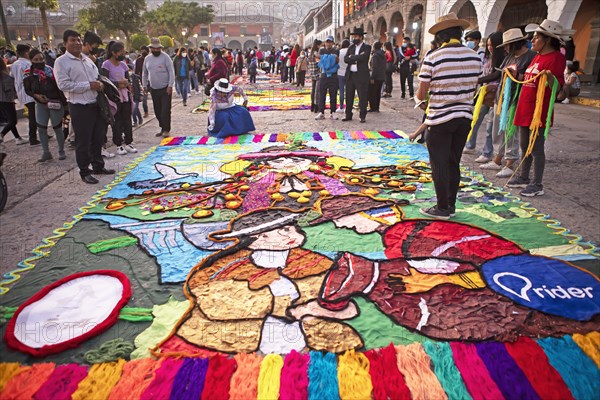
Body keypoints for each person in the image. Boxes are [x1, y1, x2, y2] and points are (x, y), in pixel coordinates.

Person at [415, 12, 482, 219]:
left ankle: (442, 207)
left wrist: (427, 99)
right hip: (464, 117)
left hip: (441, 117)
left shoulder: (433, 57)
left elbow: (421, 92)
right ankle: (451, 205)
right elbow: (475, 87)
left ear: (441, 36)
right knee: (454, 161)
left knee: (439, 163)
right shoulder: (474, 56)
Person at [507, 20, 567, 197]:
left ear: (547, 39)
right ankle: (524, 177)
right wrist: (514, 74)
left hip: (538, 110)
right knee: (525, 146)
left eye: (535, 37)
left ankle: (537, 183)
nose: (532, 41)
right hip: (525, 106)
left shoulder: (556, 58)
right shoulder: (537, 56)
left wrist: (549, 77)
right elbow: (529, 78)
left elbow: (556, 87)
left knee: (536, 147)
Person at [54, 29, 115, 184]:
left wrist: (100, 84)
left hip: (96, 104)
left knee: (98, 138)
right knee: (83, 141)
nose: (77, 43)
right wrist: (88, 85)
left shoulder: (87, 59)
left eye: (78, 40)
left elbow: (96, 78)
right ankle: (84, 171)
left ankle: (98, 166)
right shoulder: (61, 62)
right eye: (72, 40)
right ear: (65, 43)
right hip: (79, 106)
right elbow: (63, 85)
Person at [478, 29, 536, 178]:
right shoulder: (509, 56)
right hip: (501, 98)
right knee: (498, 130)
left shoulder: (531, 57)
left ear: (516, 43)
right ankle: (497, 160)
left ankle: (510, 163)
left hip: (516, 100)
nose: (505, 48)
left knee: (511, 133)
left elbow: (532, 80)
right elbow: (499, 73)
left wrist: (518, 75)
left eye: (507, 45)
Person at [464, 31, 506, 156]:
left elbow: (496, 74)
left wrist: (478, 80)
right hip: (484, 93)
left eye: (492, 45)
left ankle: (487, 153)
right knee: (475, 119)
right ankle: (470, 144)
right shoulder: (488, 57)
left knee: (490, 125)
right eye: (488, 45)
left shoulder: (503, 58)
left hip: (496, 94)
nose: (490, 47)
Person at [23, 49, 67, 161]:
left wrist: (65, 104)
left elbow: (59, 88)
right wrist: (36, 95)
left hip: (54, 103)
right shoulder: (28, 73)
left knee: (57, 128)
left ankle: (61, 151)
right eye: (36, 59)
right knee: (41, 128)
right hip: (40, 104)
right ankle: (46, 152)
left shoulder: (50, 71)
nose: (39, 61)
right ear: (31, 60)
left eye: (41, 59)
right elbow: (27, 89)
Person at [102, 41, 137, 156]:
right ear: (114, 53)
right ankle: (118, 144)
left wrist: (125, 83)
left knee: (127, 119)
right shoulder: (106, 65)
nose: (124, 54)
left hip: (125, 96)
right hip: (114, 97)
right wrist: (117, 84)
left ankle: (128, 142)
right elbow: (105, 81)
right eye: (121, 52)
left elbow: (128, 80)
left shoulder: (123, 65)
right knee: (117, 121)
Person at [143, 38, 175, 138]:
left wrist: (170, 85)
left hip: (165, 88)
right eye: (154, 48)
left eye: (158, 48)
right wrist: (144, 85)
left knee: (165, 109)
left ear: (160, 48)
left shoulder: (166, 57)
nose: (156, 50)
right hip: (153, 88)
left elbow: (171, 72)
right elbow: (144, 73)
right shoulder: (147, 59)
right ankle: (162, 127)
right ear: (151, 48)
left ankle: (166, 129)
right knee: (157, 111)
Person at [11, 44, 39, 145]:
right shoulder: (28, 64)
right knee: (33, 115)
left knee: (34, 114)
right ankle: (33, 137)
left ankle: (40, 132)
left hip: (21, 93)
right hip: (30, 93)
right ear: (27, 53)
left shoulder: (15, 64)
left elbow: (12, 78)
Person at [343, 27, 371, 123]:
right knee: (349, 96)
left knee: (362, 96)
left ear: (361, 37)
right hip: (351, 75)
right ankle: (348, 114)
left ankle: (362, 115)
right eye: (354, 36)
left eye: (356, 36)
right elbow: (346, 59)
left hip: (361, 75)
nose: (355, 38)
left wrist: (353, 57)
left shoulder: (366, 47)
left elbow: (364, 57)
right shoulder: (351, 47)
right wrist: (355, 58)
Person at [0, 58, 28, 145]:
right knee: (13, 121)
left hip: (2, 100)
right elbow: (9, 88)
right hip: (7, 100)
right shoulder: (4, 75)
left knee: (10, 120)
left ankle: (17, 137)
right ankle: (1, 134)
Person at [315, 36, 340, 120]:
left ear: (332, 43)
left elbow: (336, 61)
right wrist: (330, 58)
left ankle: (333, 112)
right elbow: (318, 60)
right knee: (322, 94)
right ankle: (321, 112)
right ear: (325, 42)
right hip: (323, 75)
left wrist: (324, 58)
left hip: (333, 76)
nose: (328, 43)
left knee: (333, 94)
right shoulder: (322, 50)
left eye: (330, 42)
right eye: (327, 42)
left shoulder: (336, 50)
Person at [368, 41, 386, 113]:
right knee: (377, 92)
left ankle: (373, 107)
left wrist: (372, 77)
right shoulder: (383, 55)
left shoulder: (375, 56)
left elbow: (374, 67)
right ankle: (377, 107)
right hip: (381, 76)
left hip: (375, 76)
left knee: (372, 92)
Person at [308, 40, 322, 113]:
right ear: (317, 45)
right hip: (316, 72)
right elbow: (319, 60)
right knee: (317, 90)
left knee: (313, 89)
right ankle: (317, 106)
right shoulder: (316, 53)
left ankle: (312, 105)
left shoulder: (310, 53)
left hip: (312, 72)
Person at [336, 39, 350, 113]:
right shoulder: (350, 51)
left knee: (341, 91)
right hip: (348, 73)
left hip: (340, 72)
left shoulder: (339, 52)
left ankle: (341, 106)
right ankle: (348, 107)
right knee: (348, 91)